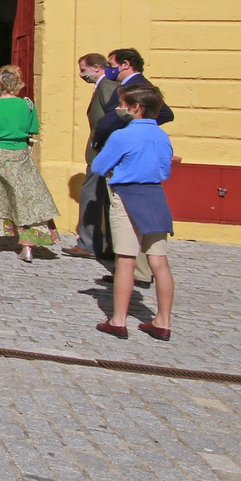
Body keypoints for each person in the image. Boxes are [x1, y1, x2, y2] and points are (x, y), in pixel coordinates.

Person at [92, 84, 177, 341]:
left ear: (135, 108)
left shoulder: (123, 135)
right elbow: (165, 170)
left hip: (127, 194)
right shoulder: (162, 136)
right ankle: (163, 321)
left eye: (123, 105)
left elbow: (99, 165)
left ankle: (118, 320)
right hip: (155, 196)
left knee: (126, 260)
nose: (121, 109)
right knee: (159, 262)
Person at [93, 48, 175, 286]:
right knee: (155, 255)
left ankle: (133, 279)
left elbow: (164, 113)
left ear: (126, 64)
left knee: (130, 238)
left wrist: (134, 128)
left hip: (127, 166)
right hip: (139, 172)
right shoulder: (126, 86)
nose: (109, 68)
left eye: (111, 64)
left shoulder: (138, 87)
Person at [0, 65, 59, 262]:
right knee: (26, 196)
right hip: (20, 151)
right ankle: (27, 246)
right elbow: (33, 128)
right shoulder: (27, 105)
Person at [63, 54, 120, 259]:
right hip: (102, 152)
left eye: (83, 70)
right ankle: (104, 245)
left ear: (96, 68)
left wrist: (101, 145)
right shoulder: (104, 86)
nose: (81, 75)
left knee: (93, 196)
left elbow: (110, 120)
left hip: (102, 153)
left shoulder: (106, 87)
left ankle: (90, 244)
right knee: (100, 197)